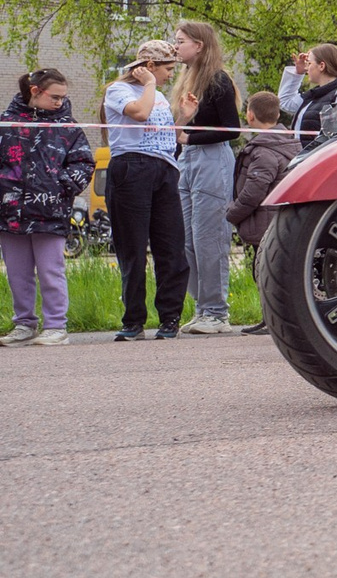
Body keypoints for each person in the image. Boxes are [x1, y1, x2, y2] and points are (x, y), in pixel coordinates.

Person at [104, 39, 191, 339]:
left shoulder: (160, 96)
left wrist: (184, 119)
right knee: (134, 248)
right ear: (149, 67)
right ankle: (133, 321)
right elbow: (139, 115)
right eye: (167, 69)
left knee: (171, 247)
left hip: (164, 170)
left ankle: (170, 318)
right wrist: (150, 84)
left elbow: (165, 137)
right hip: (131, 169)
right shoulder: (119, 91)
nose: (171, 75)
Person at [0, 69, 92, 346]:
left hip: (51, 210)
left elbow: (84, 163)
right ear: (35, 91)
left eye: (63, 97)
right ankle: (24, 324)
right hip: (10, 211)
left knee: (51, 270)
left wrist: (61, 187)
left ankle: (55, 326)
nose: (60, 102)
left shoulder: (68, 127)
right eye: (54, 97)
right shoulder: (6, 123)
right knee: (17, 272)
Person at [171, 20, 242, 335]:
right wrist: (183, 127)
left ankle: (217, 312)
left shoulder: (218, 80)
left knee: (209, 238)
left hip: (213, 159)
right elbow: (182, 130)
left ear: (198, 45)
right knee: (187, 240)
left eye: (180, 40)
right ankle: (203, 309)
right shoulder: (187, 79)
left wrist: (191, 138)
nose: (175, 46)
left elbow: (232, 128)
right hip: (188, 162)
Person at [225, 90, 296, 336]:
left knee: (264, 273)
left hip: (264, 221)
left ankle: (273, 320)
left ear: (250, 115)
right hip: (280, 220)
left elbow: (254, 191)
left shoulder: (264, 150)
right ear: (277, 115)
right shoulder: (289, 142)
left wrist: (232, 214)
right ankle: (273, 319)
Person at [277, 42, 337, 145]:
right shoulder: (315, 95)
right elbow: (285, 102)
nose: (307, 68)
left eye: (309, 63)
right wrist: (298, 73)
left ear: (321, 66)